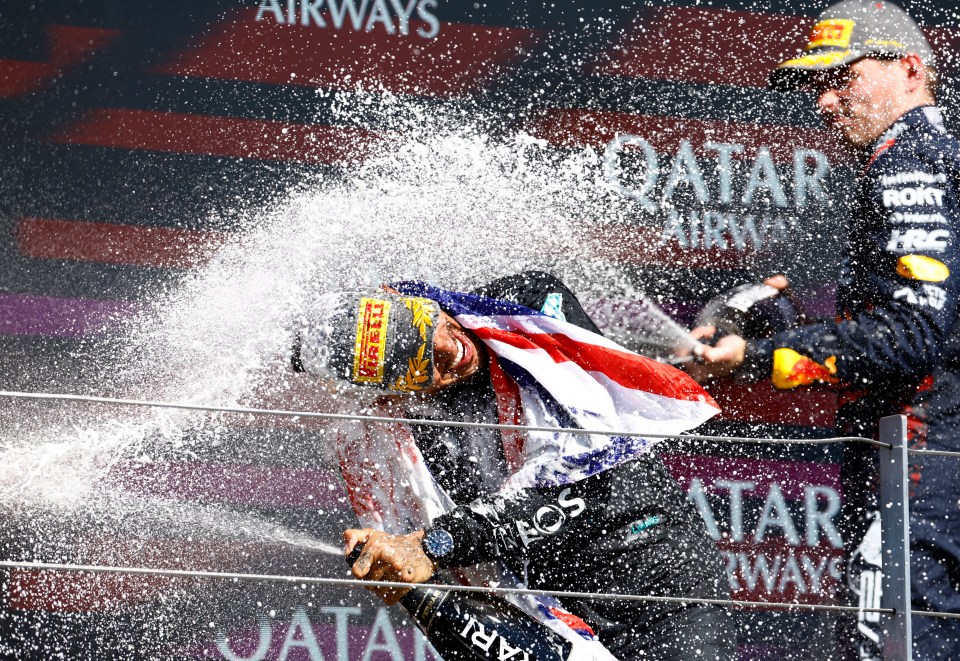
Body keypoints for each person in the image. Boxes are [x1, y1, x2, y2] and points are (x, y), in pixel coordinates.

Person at [684, 2, 960, 658]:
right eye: (817, 86)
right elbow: (802, 282)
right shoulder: (918, 158)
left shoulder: (905, 160)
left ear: (912, 69)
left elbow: (909, 331)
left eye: (843, 78)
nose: (826, 102)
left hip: (914, 463)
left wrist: (752, 358)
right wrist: (743, 310)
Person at [292, 271, 737, 660]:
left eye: (429, 328)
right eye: (417, 367)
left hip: (660, 582)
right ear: (394, 389)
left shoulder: (526, 308)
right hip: (547, 609)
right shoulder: (391, 438)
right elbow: (430, 573)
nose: (448, 351)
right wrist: (404, 581)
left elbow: (582, 478)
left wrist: (433, 546)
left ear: (416, 299)